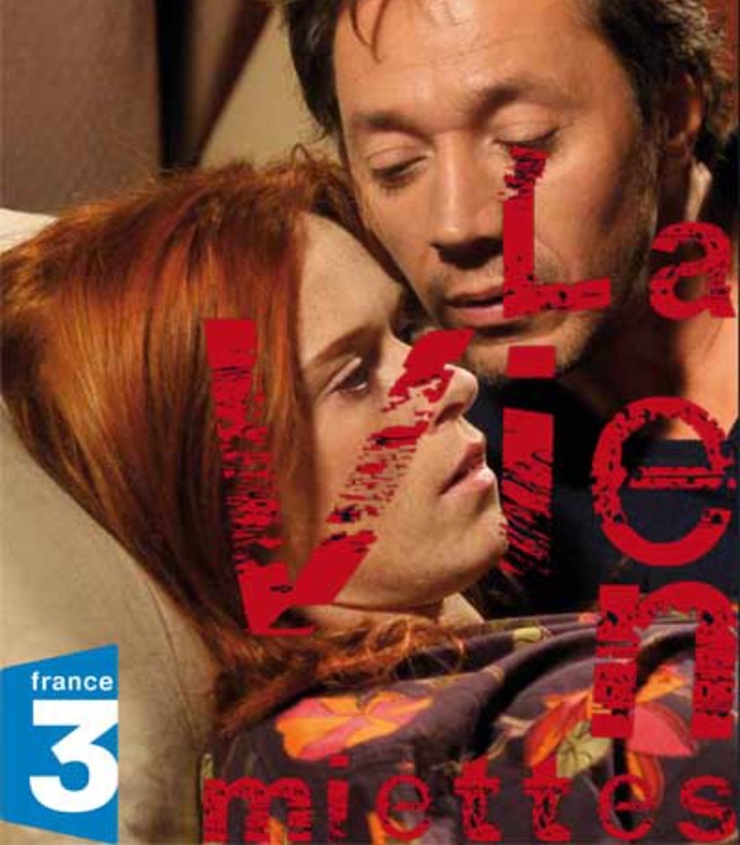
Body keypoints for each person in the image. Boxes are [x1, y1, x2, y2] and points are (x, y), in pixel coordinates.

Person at [1, 159, 735, 844]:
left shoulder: (465, 677)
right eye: (352, 377)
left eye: (407, 332)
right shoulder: (353, 768)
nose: (451, 383)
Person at [277, 0, 738, 613]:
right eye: (397, 166)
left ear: (670, 110)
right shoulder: (446, 449)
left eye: (523, 144)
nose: (458, 224)